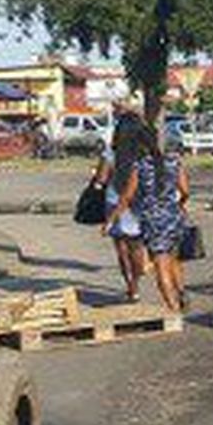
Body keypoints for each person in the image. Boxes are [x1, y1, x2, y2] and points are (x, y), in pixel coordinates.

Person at [104, 124, 190, 313]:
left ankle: (173, 308)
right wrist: (180, 205)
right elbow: (185, 191)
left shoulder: (141, 165)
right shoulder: (174, 161)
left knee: (160, 266)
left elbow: (126, 197)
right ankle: (181, 292)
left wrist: (111, 220)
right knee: (173, 258)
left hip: (153, 219)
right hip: (174, 216)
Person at [93, 112, 147, 301]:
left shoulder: (110, 152)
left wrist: (97, 180)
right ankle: (138, 278)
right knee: (137, 245)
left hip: (114, 201)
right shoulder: (144, 153)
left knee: (121, 248)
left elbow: (100, 181)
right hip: (138, 201)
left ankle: (131, 288)